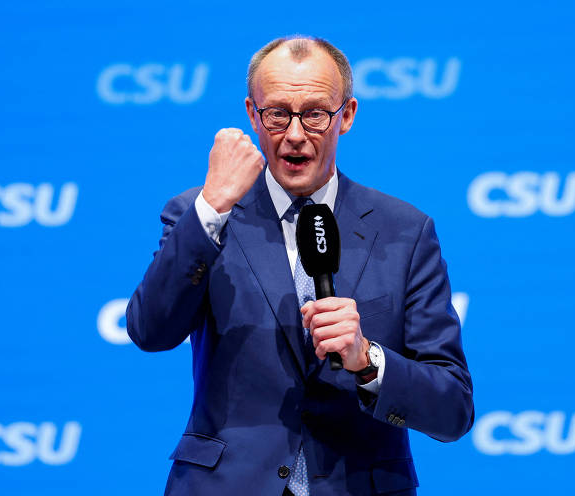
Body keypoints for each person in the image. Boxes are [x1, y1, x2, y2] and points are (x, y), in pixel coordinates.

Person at [127, 35, 474, 496]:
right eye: (277, 114)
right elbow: (150, 331)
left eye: (314, 114)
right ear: (253, 114)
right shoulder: (203, 215)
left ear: (345, 116)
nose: (294, 134)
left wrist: (367, 360)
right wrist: (211, 207)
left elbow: (452, 409)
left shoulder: (405, 232)